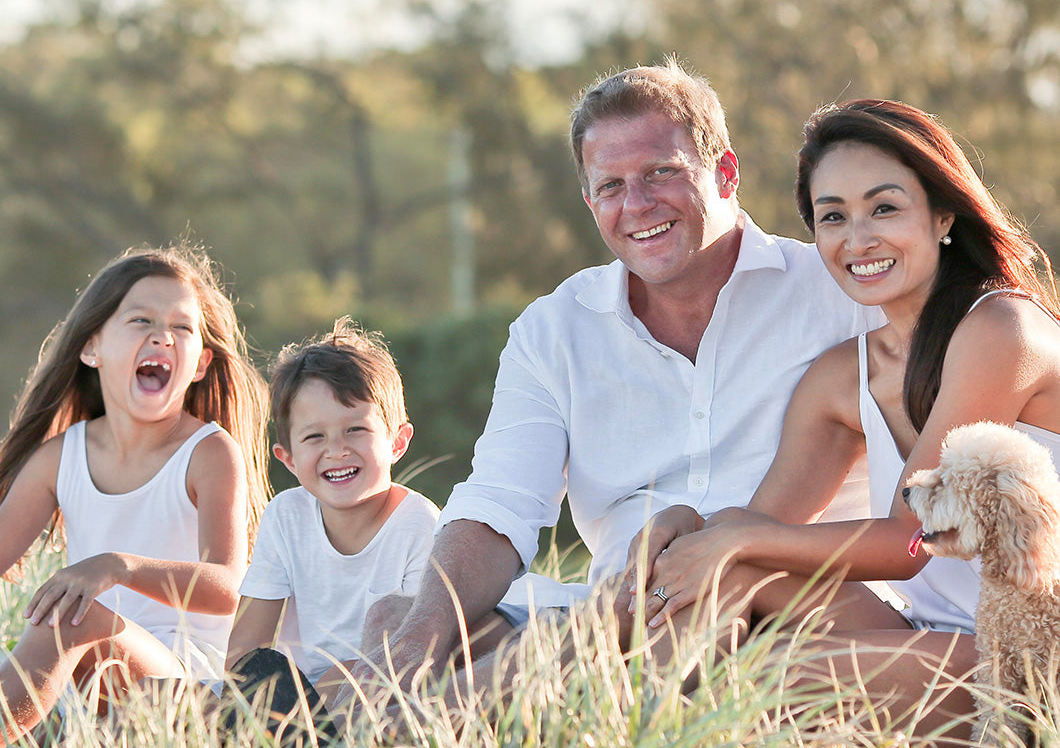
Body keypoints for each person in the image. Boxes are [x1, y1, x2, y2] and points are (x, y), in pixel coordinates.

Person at [339, 58, 882, 697]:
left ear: (725, 172)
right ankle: (376, 714)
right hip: (614, 610)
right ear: (590, 201)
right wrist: (415, 646)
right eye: (612, 186)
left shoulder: (841, 293)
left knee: (667, 615)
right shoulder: (554, 329)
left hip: (785, 602)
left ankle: (409, 721)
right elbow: (500, 503)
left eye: (661, 172)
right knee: (400, 620)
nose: (637, 204)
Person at [632, 99, 1060, 739]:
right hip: (930, 634)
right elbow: (763, 529)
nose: (857, 240)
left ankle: (652, 722)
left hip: (1031, 649)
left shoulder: (1001, 329)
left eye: (884, 208)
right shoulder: (842, 376)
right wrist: (694, 527)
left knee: (764, 678)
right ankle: (622, 715)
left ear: (943, 215)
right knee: (731, 574)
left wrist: (734, 539)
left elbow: (910, 542)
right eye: (833, 217)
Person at [0, 245, 270, 739]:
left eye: (181, 327)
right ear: (92, 348)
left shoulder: (208, 453)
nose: (163, 336)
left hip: (184, 681)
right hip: (84, 682)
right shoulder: (61, 456)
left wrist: (118, 566)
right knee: (61, 630)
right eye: (141, 320)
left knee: (69, 616)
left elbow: (228, 588)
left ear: (200, 363)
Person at [224, 317, 438, 701]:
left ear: (397, 441)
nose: (336, 450)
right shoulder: (287, 516)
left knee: (343, 676)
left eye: (355, 429)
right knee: (168, 691)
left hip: (382, 692)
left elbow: (415, 656)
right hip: (298, 691)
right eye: (314, 436)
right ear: (289, 458)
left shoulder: (418, 524)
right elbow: (245, 651)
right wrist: (236, 699)